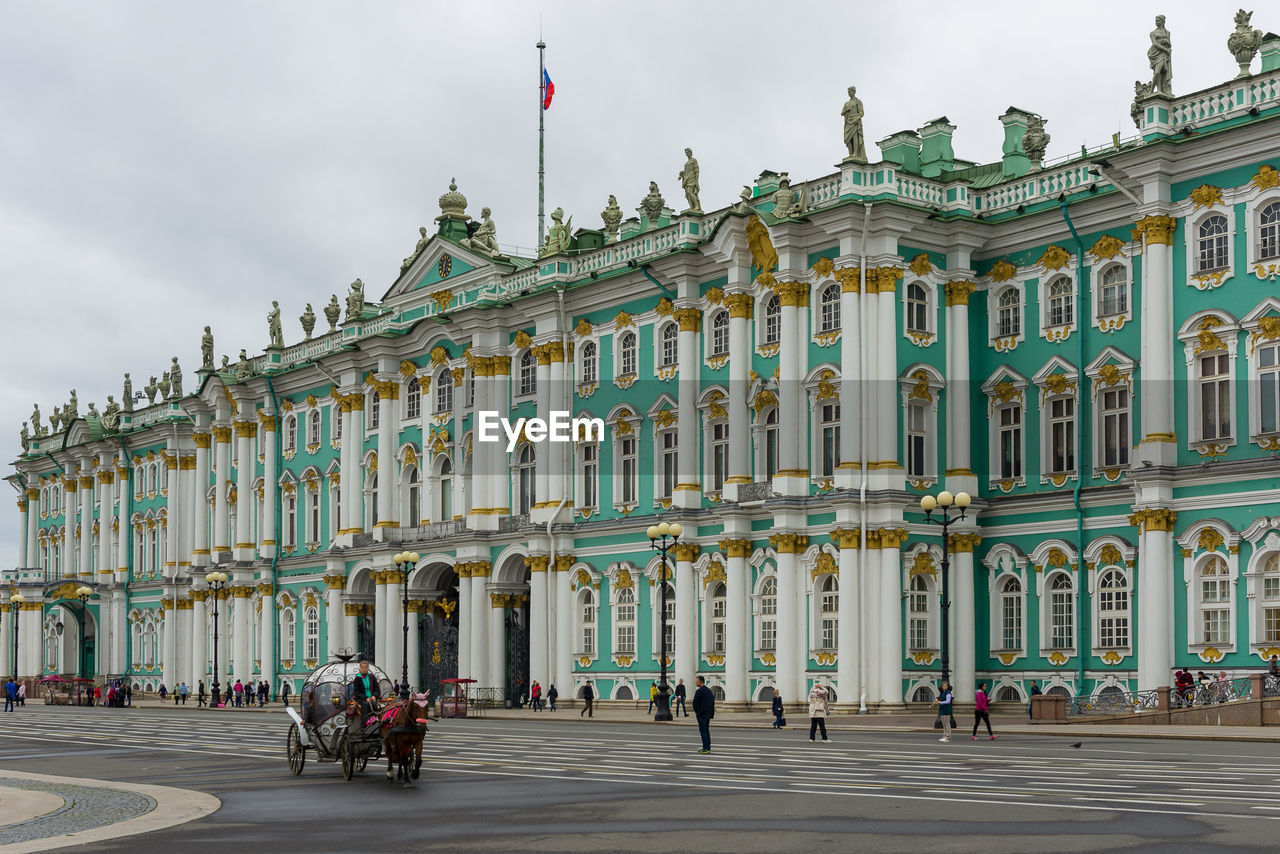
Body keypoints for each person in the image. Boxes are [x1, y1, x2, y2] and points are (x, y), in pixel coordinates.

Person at [692, 676, 715, 754]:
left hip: (701, 714)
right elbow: (712, 702)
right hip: (708, 714)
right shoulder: (709, 691)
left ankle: (705, 748)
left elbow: (695, 703)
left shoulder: (699, 691)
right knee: (706, 731)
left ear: (701, 682)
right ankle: (708, 747)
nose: (695, 682)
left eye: (696, 681)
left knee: (703, 731)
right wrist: (711, 713)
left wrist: (696, 711)